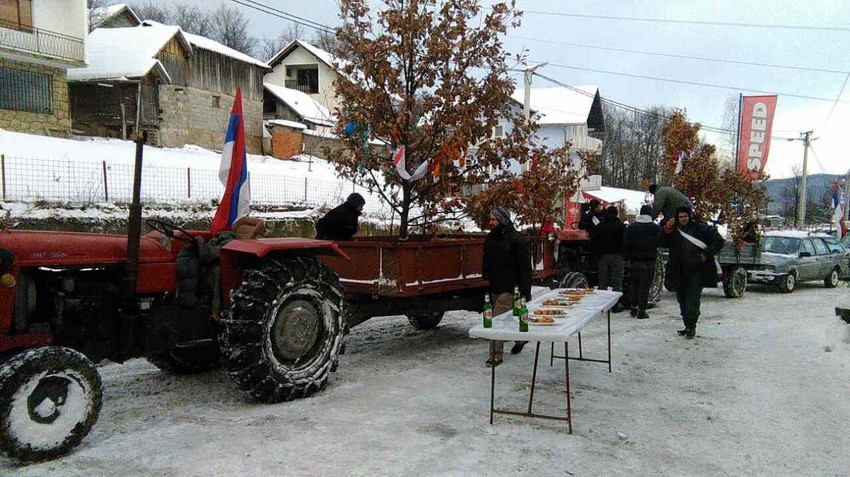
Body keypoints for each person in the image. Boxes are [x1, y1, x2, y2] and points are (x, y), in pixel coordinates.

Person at [661, 206, 724, 338]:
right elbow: (661, 241)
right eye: (680, 217)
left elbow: (718, 241)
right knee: (682, 300)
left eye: (685, 216)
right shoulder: (674, 230)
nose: (683, 219)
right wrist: (667, 228)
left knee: (692, 300)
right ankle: (687, 325)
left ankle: (691, 326)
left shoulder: (700, 228)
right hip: (679, 270)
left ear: (689, 216)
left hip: (696, 271)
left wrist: (705, 255)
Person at [482, 206, 532, 365]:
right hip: (495, 286)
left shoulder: (516, 240)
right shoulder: (491, 238)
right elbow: (487, 258)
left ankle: (495, 356)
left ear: (502, 220)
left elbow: (525, 267)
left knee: (496, 320)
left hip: (510, 288)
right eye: (491, 219)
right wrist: (486, 272)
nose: (491, 222)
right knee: (508, 318)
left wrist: (525, 290)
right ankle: (520, 339)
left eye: (494, 219)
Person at [623, 205, 662, 319]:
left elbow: (625, 243)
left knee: (634, 285)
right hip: (649, 261)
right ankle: (642, 311)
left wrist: (628, 257)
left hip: (635, 261)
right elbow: (660, 242)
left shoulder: (631, 227)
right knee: (645, 287)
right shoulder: (655, 228)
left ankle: (633, 308)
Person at [591, 206, 626, 312]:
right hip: (618, 256)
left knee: (602, 282)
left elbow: (594, 241)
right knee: (617, 282)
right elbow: (626, 242)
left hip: (603, 257)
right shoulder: (622, 227)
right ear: (616, 214)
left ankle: (602, 306)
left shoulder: (600, 226)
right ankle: (615, 306)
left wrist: (598, 254)